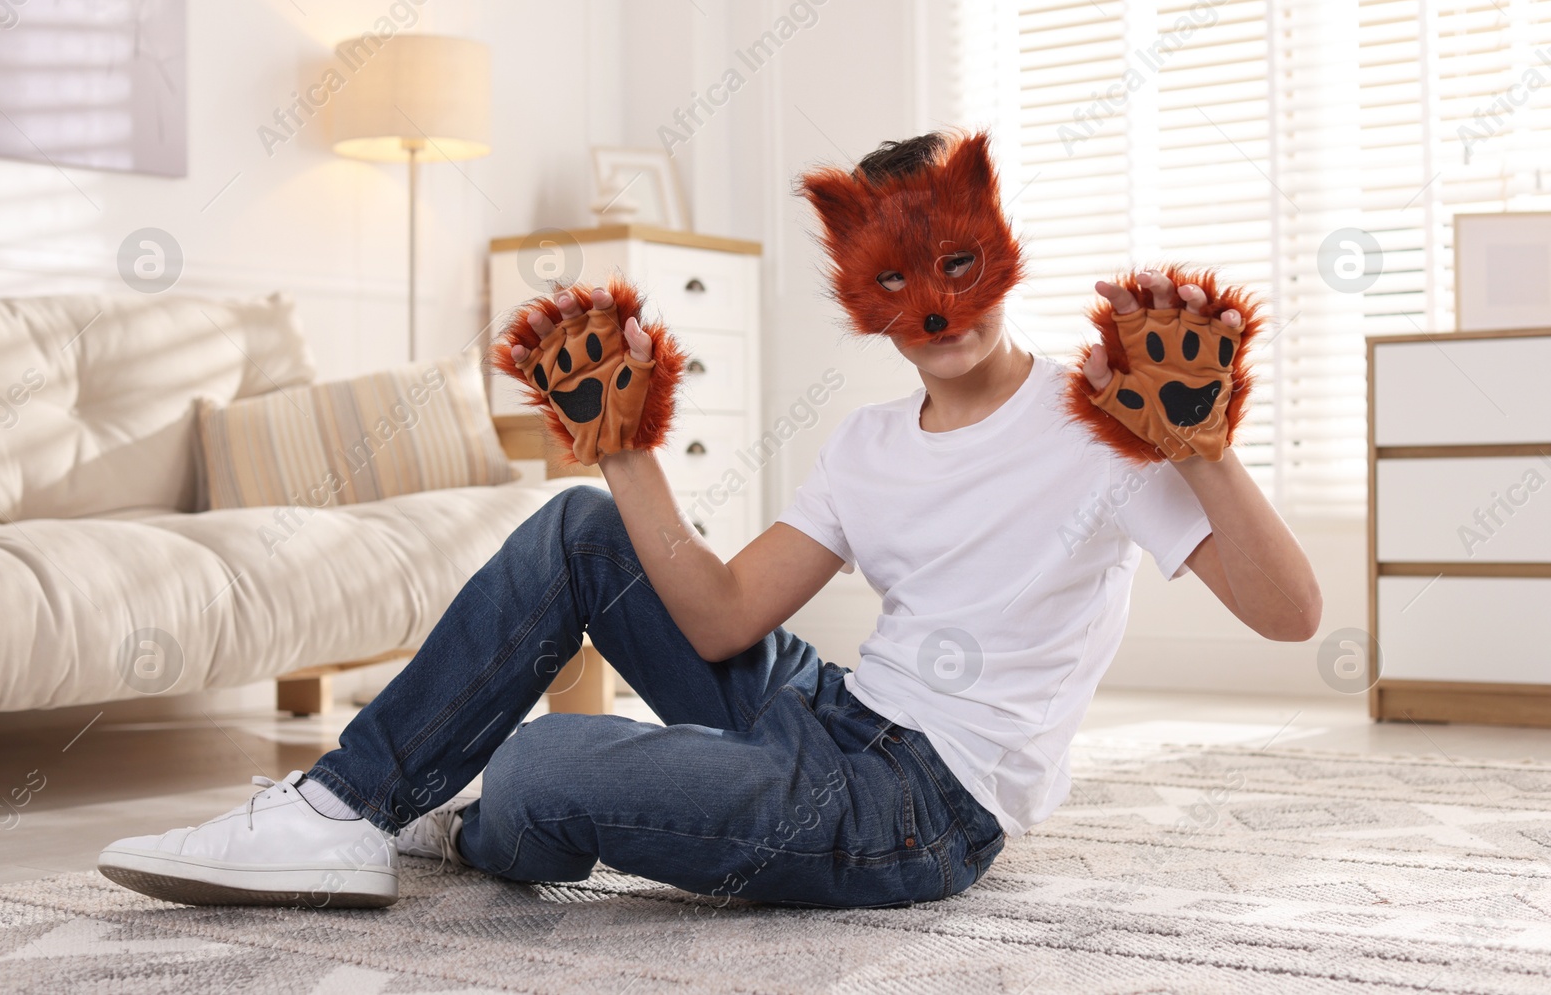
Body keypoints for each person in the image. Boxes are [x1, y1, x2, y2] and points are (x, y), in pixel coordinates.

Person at [98, 131, 1321, 910]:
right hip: (835, 709)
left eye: (954, 263)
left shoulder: (1108, 420)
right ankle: (339, 813)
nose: (933, 305)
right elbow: (723, 613)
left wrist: (1203, 448)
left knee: (534, 769)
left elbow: (1287, 614)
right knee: (579, 519)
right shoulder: (866, 445)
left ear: (997, 253)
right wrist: (627, 449)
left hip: (917, 808)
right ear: (865, 299)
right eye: (894, 281)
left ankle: (466, 828)